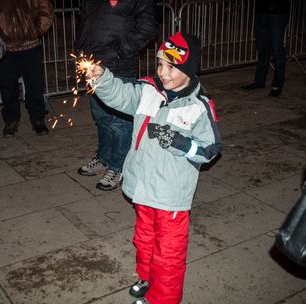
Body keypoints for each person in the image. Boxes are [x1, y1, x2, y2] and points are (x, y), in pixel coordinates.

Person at [85, 32, 221, 304]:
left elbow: (209, 150)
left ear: (189, 69)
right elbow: (121, 96)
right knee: (144, 239)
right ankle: (147, 279)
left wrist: (181, 143)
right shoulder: (148, 91)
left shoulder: (198, 107)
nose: (163, 73)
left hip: (171, 197)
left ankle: (163, 299)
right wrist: (102, 77)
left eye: (172, 67)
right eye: (160, 65)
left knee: (168, 253)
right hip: (142, 187)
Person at [75, 0, 159, 191]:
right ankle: (104, 157)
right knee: (102, 118)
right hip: (92, 66)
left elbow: (147, 28)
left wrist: (115, 52)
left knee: (119, 123)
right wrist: (79, 48)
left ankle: (118, 166)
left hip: (119, 66)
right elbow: (84, 20)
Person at [0, 0, 54, 137]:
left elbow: (45, 8)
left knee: (35, 86)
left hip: (31, 47)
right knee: (7, 88)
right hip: (5, 50)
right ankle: (11, 120)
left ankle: (38, 119)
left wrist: (36, 31)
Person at [242, 0, 291, 97]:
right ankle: (259, 81)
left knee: (277, 51)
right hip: (262, 13)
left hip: (277, 13)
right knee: (262, 50)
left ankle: (277, 85)